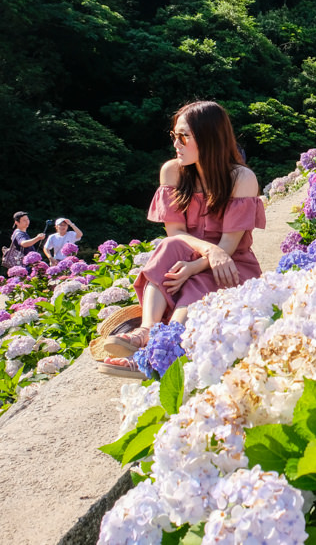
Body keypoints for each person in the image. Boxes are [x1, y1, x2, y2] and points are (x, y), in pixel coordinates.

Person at [98, 101, 266, 378]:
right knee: (169, 245)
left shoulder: (241, 178)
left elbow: (228, 247)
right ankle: (148, 331)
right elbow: (175, 233)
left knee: (196, 281)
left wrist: (193, 267)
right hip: (188, 256)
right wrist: (206, 253)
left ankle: (157, 356)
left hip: (231, 267)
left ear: (209, 136)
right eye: (174, 135)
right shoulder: (172, 172)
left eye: (184, 136)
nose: (176, 143)